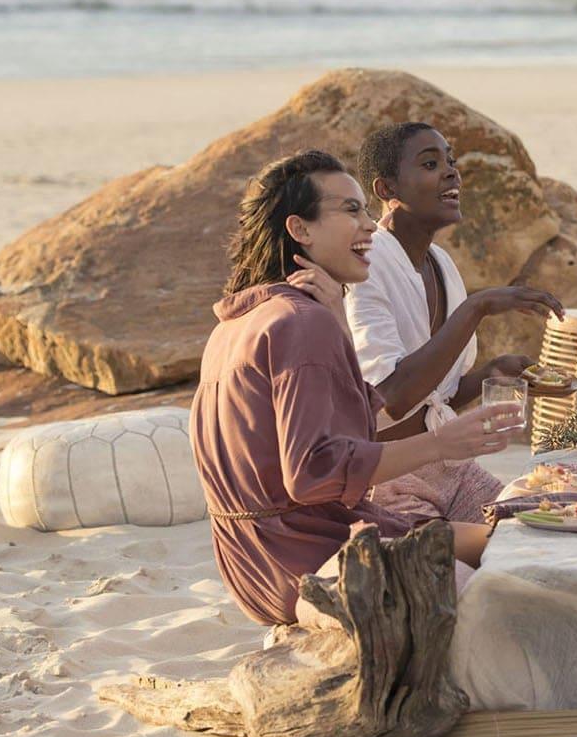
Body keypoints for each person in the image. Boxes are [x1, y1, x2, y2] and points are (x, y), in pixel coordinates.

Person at [189, 149, 517, 626]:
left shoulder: (240, 321)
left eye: (366, 209)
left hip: (251, 569)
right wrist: (440, 443)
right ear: (299, 230)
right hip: (313, 561)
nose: (369, 226)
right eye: (349, 210)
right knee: (521, 558)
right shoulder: (299, 322)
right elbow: (313, 474)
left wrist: (341, 328)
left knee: (505, 538)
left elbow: (340, 437)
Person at [345, 122, 562, 525]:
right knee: (448, 568)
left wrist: (490, 375)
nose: (451, 173)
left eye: (451, 161)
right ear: (386, 190)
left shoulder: (440, 263)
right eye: (430, 164)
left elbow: (433, 399)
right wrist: (476, 308)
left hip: (449, 469)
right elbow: (393, 397)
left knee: (541, 528)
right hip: (390, 479)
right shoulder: (367, 264)